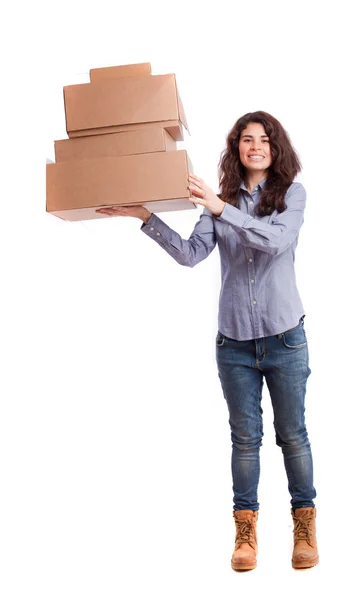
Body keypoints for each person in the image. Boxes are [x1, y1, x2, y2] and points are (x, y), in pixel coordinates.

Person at [96, 111, 319, 571]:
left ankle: (304, 525)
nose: (255, 146)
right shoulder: (217, 204)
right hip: (234, 344)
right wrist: (144, 215)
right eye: (245, 140)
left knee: (292, 436)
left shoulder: (291, 196)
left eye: (264, 139)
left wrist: (223, 209)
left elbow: (277, 242)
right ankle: (246, 533)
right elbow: (190, 254)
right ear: (236, 148)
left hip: (285, 340)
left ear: (276, 148)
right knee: (244, 440)